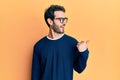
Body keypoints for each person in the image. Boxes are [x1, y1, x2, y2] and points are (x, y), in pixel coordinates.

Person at [31, 5, 89, 80]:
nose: (64, 23)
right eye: (60, 19)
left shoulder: (72, 43)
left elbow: (79, 69)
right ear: (50, 21)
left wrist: (83, 53)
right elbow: (35, 76)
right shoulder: (39, 46)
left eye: (65, 19)